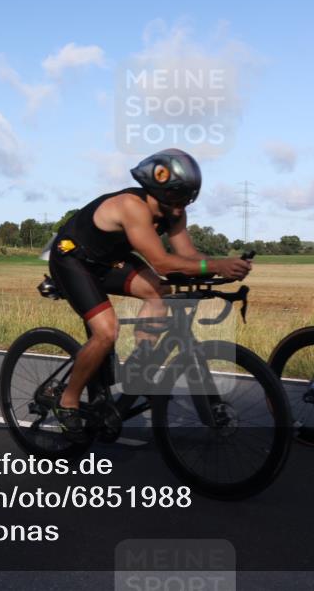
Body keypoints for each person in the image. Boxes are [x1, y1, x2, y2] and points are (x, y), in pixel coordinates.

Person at [48, 148, 252, 441]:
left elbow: (188, 255)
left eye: (187, 200)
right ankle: (67, 400)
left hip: (109, 260)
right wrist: (216, 265)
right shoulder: (132, 206)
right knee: (106, 331)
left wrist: (223, 269)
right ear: (158, 190)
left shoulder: (174, 213)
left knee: (160, 292)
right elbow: (162, 263)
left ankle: (139, 368)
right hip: (73, 260)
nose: (181, 209)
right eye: (177, 199)